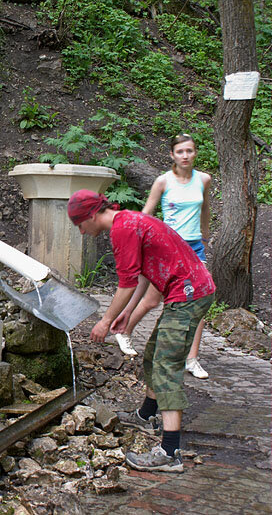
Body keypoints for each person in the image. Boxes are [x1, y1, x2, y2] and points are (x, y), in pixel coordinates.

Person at [68, 189, 214, 472]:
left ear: (91, 215)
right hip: (186, 292)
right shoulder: (129, 221)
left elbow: (125, 283)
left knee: (166, 366)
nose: (82, 232)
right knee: (153, 356)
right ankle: (146, 414)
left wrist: (105, 321)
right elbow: (143, 274)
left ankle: (170, 452)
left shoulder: (122, 229)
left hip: (188, 294)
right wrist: (127, 313)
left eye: (80, 225)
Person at [112, 134, 211, 380]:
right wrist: (141, 243)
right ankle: (124, 331)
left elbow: (206, 207)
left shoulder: (204, 180)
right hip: (167, 247)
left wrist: (205, 234)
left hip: (195, 247)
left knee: (200, 300)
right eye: (180, 151)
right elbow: (146, 214)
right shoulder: (163, 181)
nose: (185, 156)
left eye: (189, 150)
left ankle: (192, 358)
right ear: (172, 155)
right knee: (152, 299)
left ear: (195, 152)